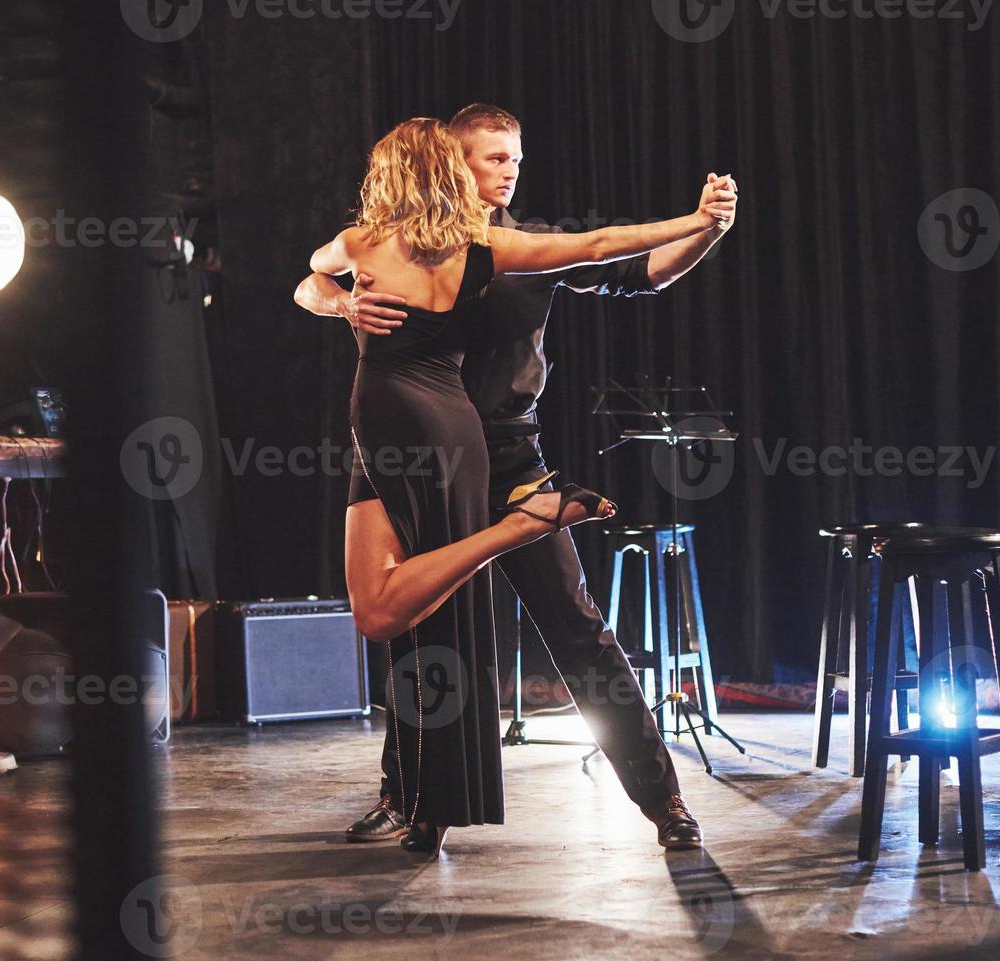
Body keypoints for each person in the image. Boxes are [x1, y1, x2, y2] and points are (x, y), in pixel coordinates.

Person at [298, 104, 737, 851]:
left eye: (515, 160)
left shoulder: (520, 249)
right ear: (451, 164)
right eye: (494, 158)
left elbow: (636, 270)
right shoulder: (393, 243)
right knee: (418, 627)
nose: (509, 171)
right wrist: (346, 305)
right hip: (408, 455)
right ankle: (409, 797)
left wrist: (704, 230)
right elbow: (310, 281)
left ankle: (662, 802)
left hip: (506, 462)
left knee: (577, 633)